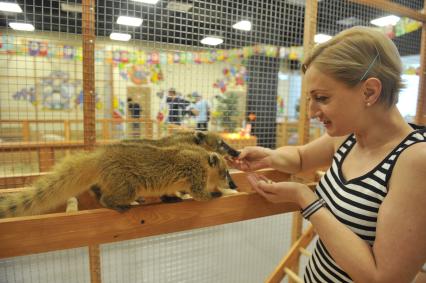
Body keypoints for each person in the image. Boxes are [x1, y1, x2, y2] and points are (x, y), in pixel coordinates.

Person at [232, 26, 426, 283]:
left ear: (369, 92)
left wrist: (306, 199)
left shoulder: (414, 161)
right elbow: (301, 158)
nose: (312, 112)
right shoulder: (348, 137)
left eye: (321, 98)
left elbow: (383, 278)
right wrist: (268, 156)